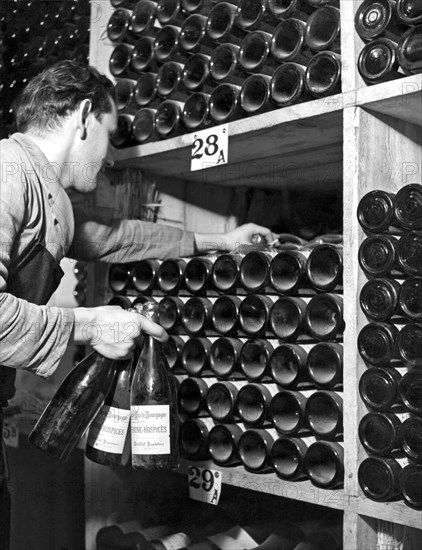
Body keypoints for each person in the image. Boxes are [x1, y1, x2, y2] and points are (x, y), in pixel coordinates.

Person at [0, 60, 275, 547]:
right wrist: (89, 324)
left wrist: (221, 241)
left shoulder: (45, 191)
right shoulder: (7, 173)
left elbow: (118, 237)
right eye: (109, 133)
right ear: (84, 115)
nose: (109, 159)